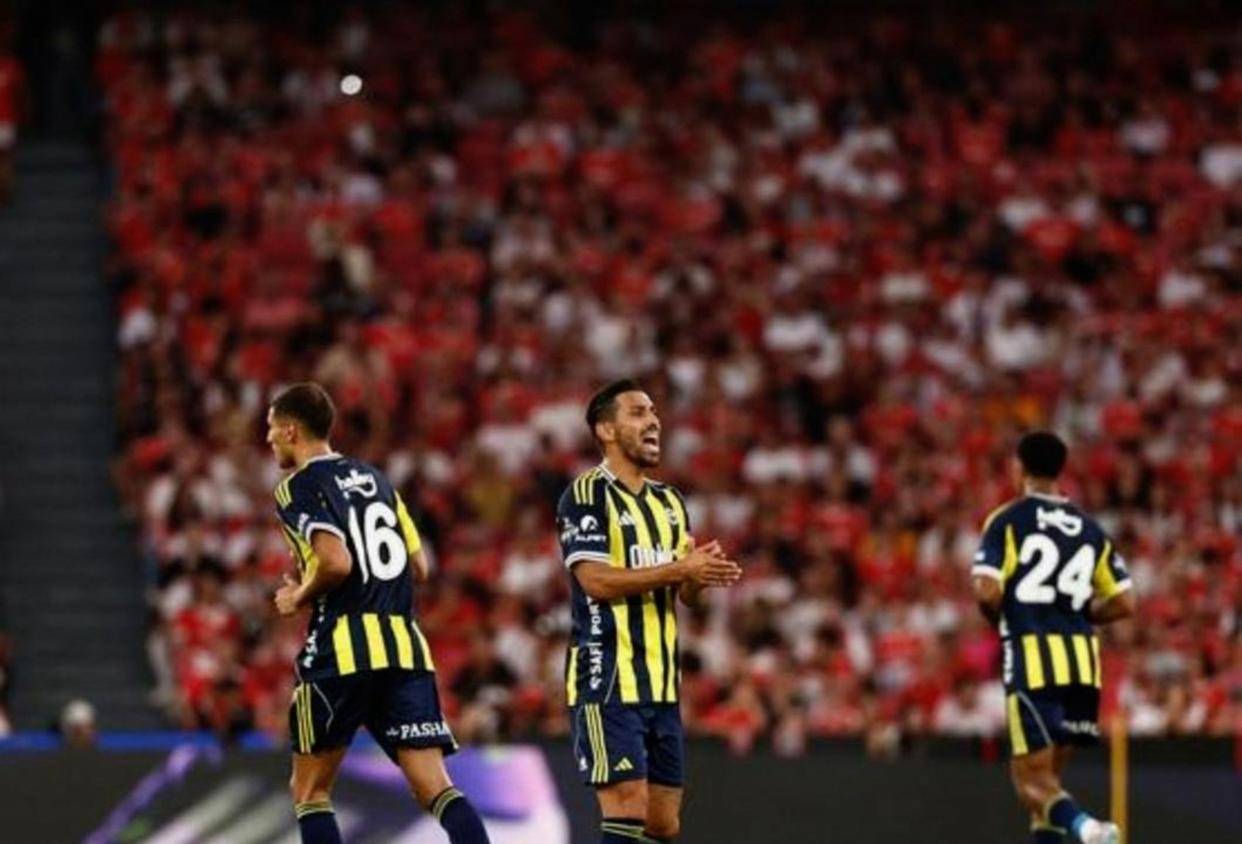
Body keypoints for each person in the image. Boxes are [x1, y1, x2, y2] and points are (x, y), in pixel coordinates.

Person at [266, 382, 489, 844]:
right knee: (436, 787)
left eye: (271, 428)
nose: (268, 438)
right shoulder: (377, 479)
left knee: (310, 792)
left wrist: (299, 595)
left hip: (341, 651)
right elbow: (420, 566)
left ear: (290, 431)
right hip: (404, 649)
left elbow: (336, 562)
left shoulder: (297, 488)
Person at [557, 379, 743, 843]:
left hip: (661, 684)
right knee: (627, 807)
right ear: (606, 430)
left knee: (663, 823)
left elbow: (686, 597)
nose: (654, 421)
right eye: (638, 413)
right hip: (607, 678)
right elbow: (595, 582)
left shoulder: (670, 502)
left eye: (655, 413)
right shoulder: (586, 495)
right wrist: (681, 567)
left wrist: (697, 577)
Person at [972, 431, 1135, 844]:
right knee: (1050, 786)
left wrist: (1001, 619)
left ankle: (1090, 830)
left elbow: (986, 591)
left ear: (1019, 467)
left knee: (1030, 782)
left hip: (1032, 660)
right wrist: (1079, 614)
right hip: (1082, 665)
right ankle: (1075, 828)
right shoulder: (1090, 528)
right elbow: (1124, 601)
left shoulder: (1007, 520)